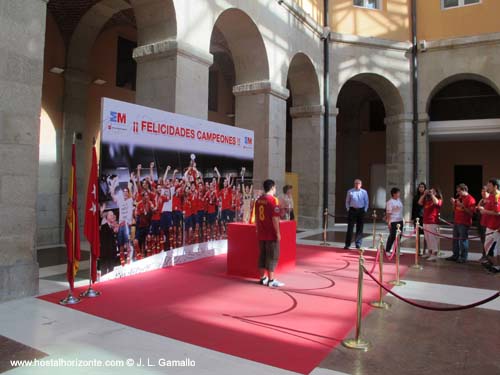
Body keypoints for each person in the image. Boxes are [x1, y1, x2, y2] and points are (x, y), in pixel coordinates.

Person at [255, 179, 284, 288]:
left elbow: (257, 217)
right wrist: (278, 233)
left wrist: (257, 229)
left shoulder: (258, 200)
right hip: (270, 233)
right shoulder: (273, 201)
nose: (275, 189)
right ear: (272, 188)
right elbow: (275, 219)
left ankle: (262, 278)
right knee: (272, 256)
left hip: (261, 232)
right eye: (275, 187)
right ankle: (271, 280)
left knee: (262, 255)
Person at [448, 184, 476, 263]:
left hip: (464, 223)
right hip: (456, 222)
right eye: (457, 191)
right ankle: (455, 255)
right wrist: (453, 203)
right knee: (455, 240)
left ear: (464, 190)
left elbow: (471, 213)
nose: (458, 193)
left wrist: (462, 206)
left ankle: (463, 257)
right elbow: (454, 210)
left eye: (459, 191)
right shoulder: (459, 198)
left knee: (463, 240)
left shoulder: (471, 199)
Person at [477, 178, 500, 273]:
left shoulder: (498, 197)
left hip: (497, 228)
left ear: (495, 186)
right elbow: (489, 209)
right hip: (489, 226)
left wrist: (485, 211)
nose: (488, 188)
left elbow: (498, 212)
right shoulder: (490, 196)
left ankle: (497, 266)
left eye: (489, 186)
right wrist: (482, 209)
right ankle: (493, 264)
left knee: (496, 249)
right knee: (487, 248)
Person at [419, 187, 442, 261]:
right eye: (431, 191)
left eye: (433, 191)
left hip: (433, 222)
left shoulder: (438, 200)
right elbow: (419, 202)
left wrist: (432, 195)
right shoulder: (427, 200)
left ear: (436, 193)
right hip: (425, 221)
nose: (431, 192)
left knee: (432, 238)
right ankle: (429, 252)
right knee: (427, 238)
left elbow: (436, 203)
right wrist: (424, 194)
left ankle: (434, 254)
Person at [344, 179, 369, 249]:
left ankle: (358, 243)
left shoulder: (364, 192)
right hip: (352, 210)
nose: (357, 185)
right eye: (356, 183)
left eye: (358, 183)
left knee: (360, 228)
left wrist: (365, 210)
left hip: (361, 210)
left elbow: (366, 201)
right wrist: (348, 209)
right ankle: (347, 244)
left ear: (361, 185)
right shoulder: (350, 191)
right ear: (354, 184)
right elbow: (347, 201)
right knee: (350, 228)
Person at [385, 187, 404, 253]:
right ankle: (387, 250)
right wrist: (389, 222)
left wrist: (403, 219)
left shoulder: (399, 200)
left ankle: (396, 250)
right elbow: (388, 213)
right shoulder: (390, 202)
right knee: (392, 236)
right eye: (398, 193)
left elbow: (401, 210)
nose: (399, 194)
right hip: (393, 221)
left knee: (399, 236)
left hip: (400, 220)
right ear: (394, 194)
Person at [476, 186, 490, 262]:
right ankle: (484, 255)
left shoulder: (490, 201)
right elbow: (478, 208)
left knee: (487, 241)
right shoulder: (481, 200)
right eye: (482, 191)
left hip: (487, 223)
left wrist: (483, 209)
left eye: (484, 191)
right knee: (483, 240)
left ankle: (487, 257)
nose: (483, 193)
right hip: (480, 222)